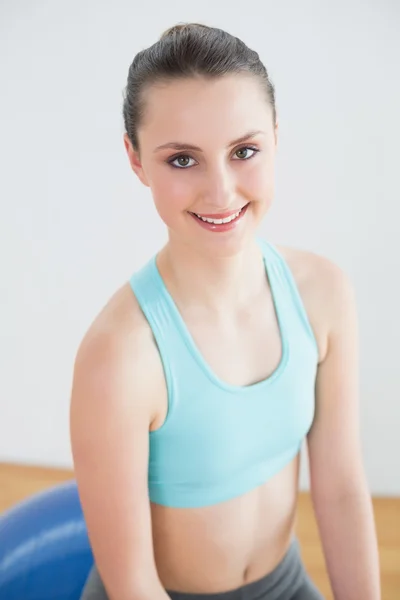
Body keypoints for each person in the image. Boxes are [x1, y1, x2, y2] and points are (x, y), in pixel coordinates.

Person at [70, 22, 381, 600]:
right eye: (182, 160)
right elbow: (133, 582)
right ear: (136, 160)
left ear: (276, 138)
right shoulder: (119, 356)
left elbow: (338, 488)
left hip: (282, 584)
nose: (221, 192)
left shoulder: (323, 295)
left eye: (244, 151)